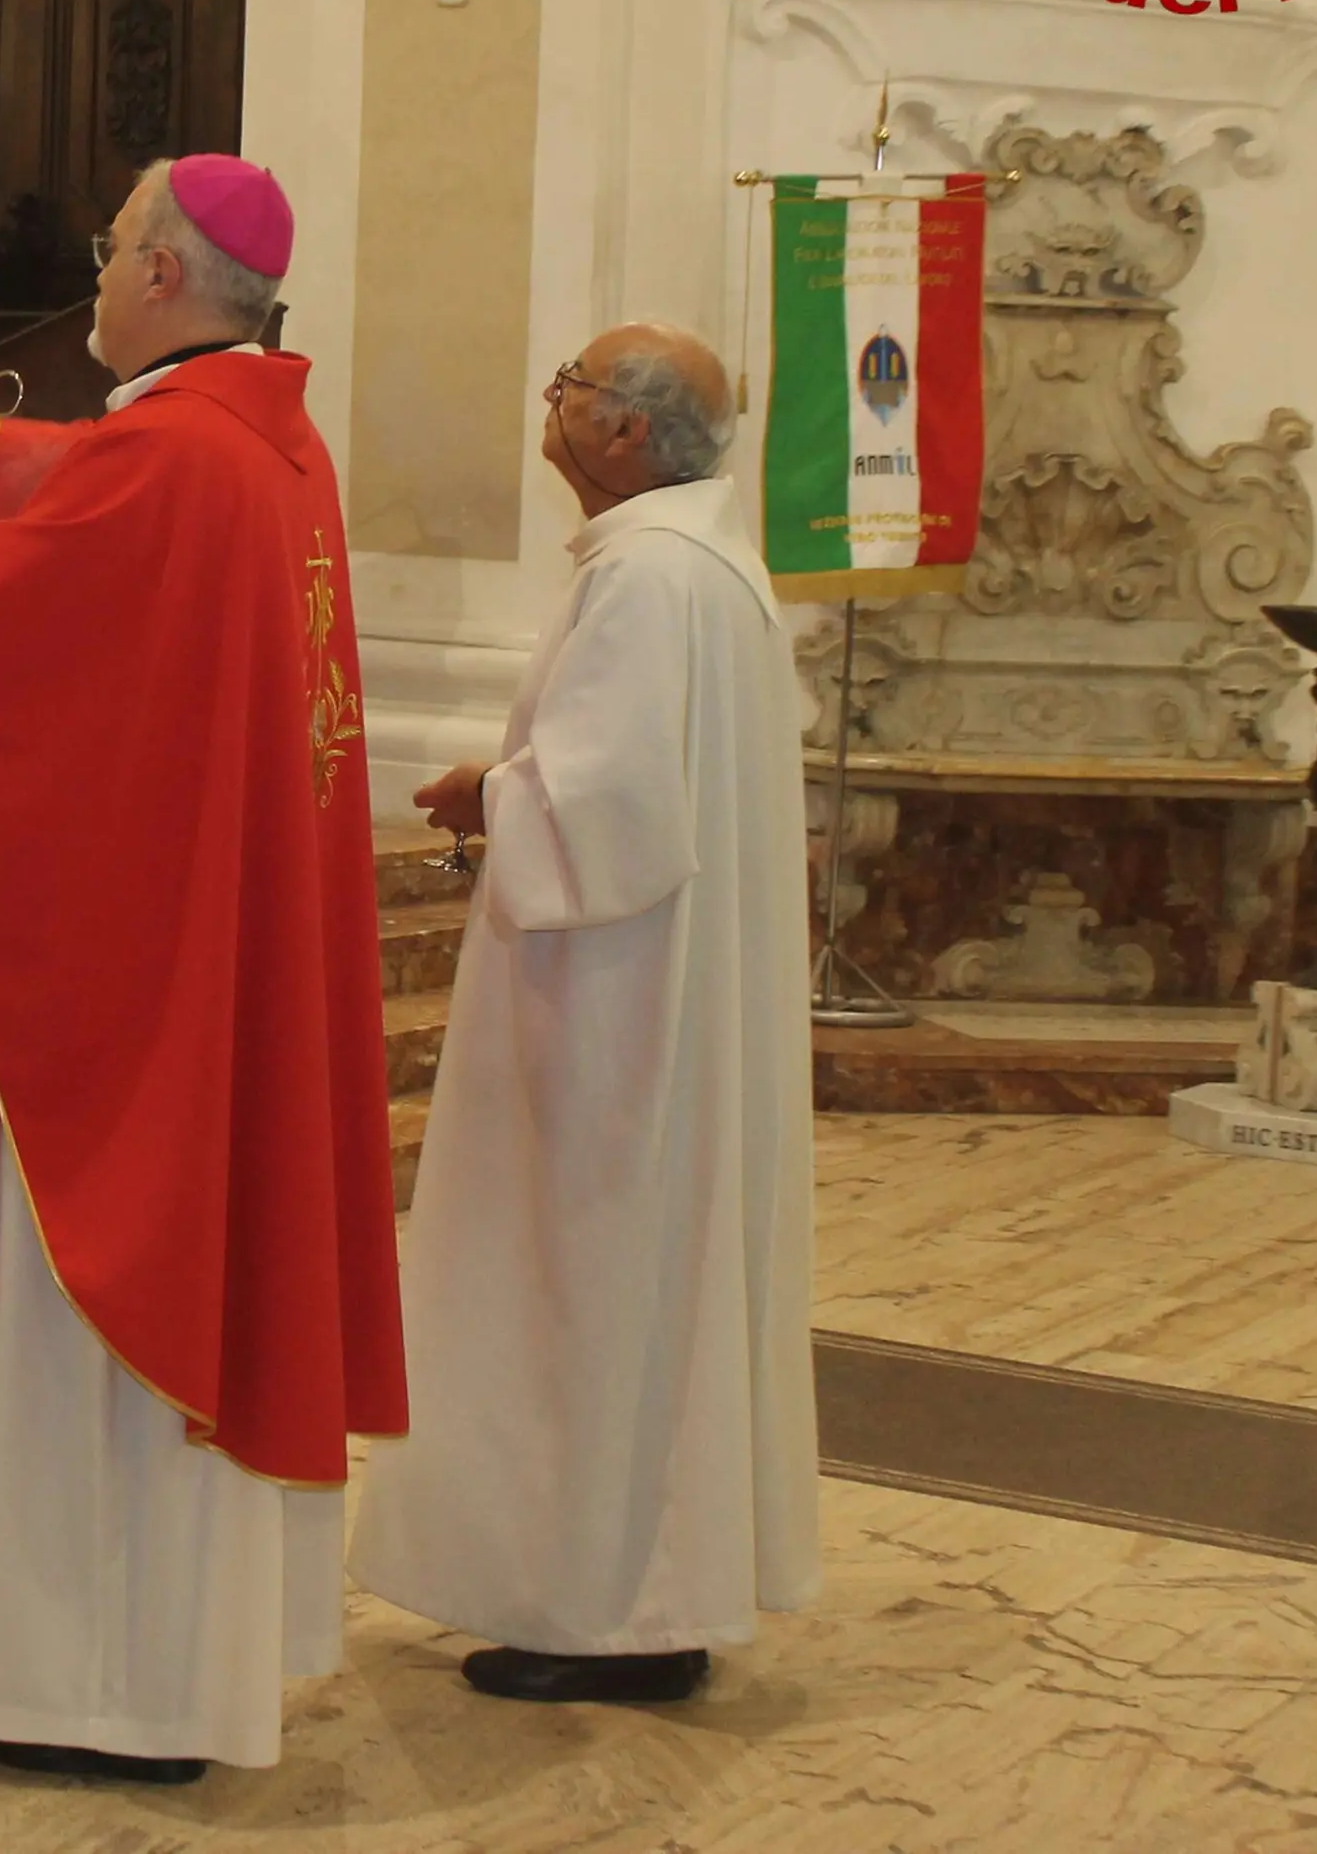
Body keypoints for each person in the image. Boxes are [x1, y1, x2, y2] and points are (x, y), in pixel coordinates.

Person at [0, 153, 402, 1783]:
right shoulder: (260, 441)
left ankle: (99, 1689)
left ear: (162, 275)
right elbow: (104, 482)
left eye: (117, 243)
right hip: (220, 946)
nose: (103, 266)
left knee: (107, 1322)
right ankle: (188, 1665)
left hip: (137, 1001)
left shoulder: (182, 456)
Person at [349, 322, 817, 1705]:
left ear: (627, 434)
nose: (547, 397)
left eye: (573, 385)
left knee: (596, 1285)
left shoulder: (653, 579)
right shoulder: (700, 567)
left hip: (619, 1015)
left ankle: (616, 1609)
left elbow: (607, 807)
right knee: (631, 1292)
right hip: (655, 995)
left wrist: (488, 795)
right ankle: (631, 1590)